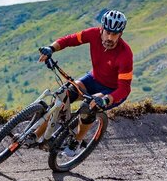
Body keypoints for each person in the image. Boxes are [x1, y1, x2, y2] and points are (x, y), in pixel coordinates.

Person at [37, 9, 133, 157]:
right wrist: (51, 48)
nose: (110, 37)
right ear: (102, 28)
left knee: (87, 108)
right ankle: (35, 135)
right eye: (107, 32)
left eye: (114, 34)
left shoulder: (125, 54)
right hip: (92, 79)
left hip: (111, 91)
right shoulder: (93, 34)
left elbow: (124, 89)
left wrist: (107, 99)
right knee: (63, 94)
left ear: (121, 34)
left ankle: (77, 141)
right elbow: (70, 39)